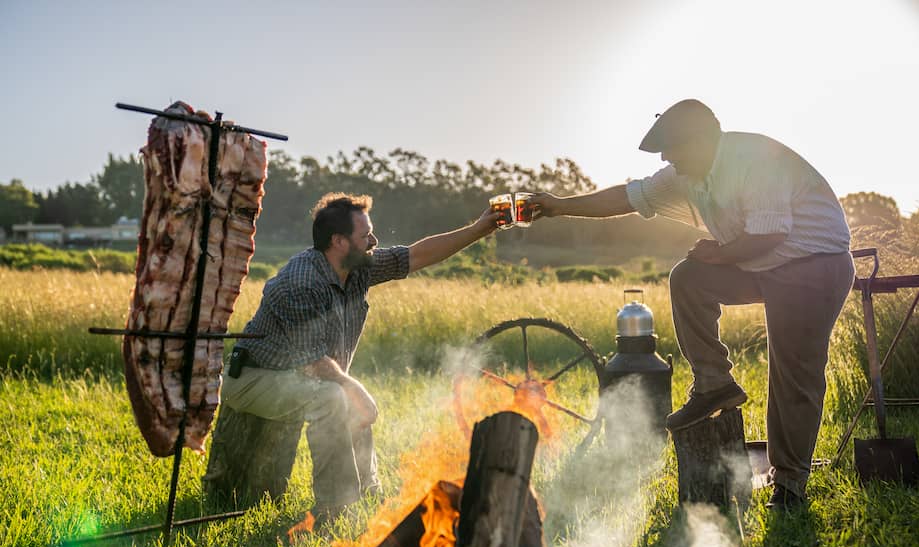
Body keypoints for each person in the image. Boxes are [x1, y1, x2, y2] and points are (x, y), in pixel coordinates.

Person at [530, 99, 853, 510]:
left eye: (672, 148)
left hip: (813, 262)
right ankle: (714, 384)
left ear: (702, 141)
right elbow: (627, 198)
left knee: (793, 372)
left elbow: (770, 234)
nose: (667, 158)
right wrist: (559, 205)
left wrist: (719, 252)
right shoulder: (686, 174)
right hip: (763, 262)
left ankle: (789, 485)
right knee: (688, 278)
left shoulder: (754, 158)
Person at [212, 192, 499, 523]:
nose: (374, 241)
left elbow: (418, 255)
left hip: (295, 376)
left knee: (343, 392)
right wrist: (356, 388)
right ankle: (336, 508)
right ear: (339, 242)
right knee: (336, 395)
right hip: (252, 378)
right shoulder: (302, 281)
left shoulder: (358, 266)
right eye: (365, 236)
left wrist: (479, 229)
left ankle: (368, 491)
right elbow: (314, 363)